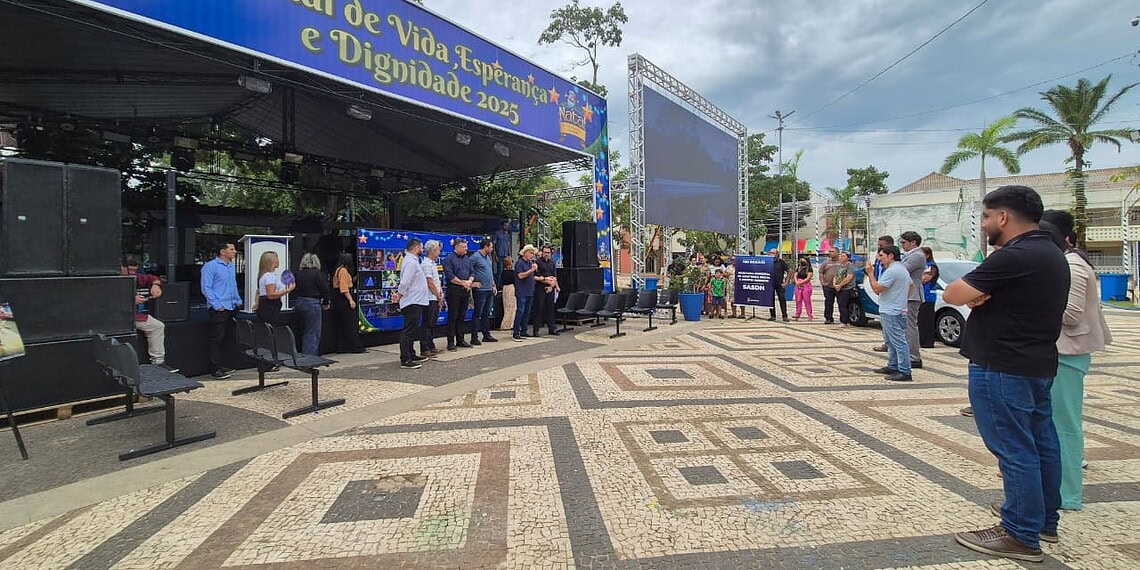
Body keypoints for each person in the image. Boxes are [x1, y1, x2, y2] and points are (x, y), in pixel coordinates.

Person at [943, 185, 1069, 563]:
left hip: (1002, 366)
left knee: (1014, 449)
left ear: (1003, 217)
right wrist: (975, 294)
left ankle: (1019, 533)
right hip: (1036, 363)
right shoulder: (1051, 252)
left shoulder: (1014, 255)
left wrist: (973, 294)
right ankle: (1044, 517)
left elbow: (953, 293)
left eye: (984, 216)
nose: (983, 224)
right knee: (1041, 442)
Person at [1041, 209, 1112, 511]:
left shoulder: (1072, 265)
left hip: (1067, 354)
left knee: (1064, 426)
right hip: (1059, 354)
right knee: (1054, 424)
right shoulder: (1067, 262)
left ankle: (1067, 494)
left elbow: (1069, 314)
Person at [123, 256, 176, 373]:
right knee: (156, 326)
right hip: (119, 316)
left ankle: (158, 362)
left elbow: (152, 278)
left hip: (133, 315)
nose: (132, 273)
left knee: (157, 325)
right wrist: (130, 299)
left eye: (134, 270)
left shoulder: (135, 277)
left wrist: (156, 285)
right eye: (129, 270)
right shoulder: (110, 280)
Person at [866, 245, 911, 382]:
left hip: (892, 311)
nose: (879, 259)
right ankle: (893, 365)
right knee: (890, 341)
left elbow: (877, 288)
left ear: (891, 256)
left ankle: (904, 370)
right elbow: (911, 285)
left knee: (898, 341)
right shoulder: (900, 269)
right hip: (893, 308)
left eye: (882, 256)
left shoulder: (893, 270)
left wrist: (871, 274)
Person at [201, 242, 242, 379]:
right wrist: (216, 304)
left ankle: (223, 364)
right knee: (216, 338)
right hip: (220, 307)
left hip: (231, 306)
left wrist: (237, 300)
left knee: (227, 337)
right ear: (222, 251)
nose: (234, 251)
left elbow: (232, 285)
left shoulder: (230, 266)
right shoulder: (210, 266)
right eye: (231, 249)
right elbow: (206, 287)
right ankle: (215, 368)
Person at [393, 238, 429, 369]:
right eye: (421, 247)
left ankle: (411, 353)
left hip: (416, 300)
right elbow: (405, 281)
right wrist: (400, 295)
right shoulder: (410, 262)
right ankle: (405, 358)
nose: (422, 249)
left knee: (413, 329)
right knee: (408, 330)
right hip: (411, 300)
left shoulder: (413, 261)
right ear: (416, 247)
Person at [294, 253, 331, 356]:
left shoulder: (298, 273)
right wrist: (326, 301)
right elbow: (325, 289)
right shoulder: (317, 273)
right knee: (313, 332)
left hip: (300, 302)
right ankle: (310, 357)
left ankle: (304, 354)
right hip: (313, 303)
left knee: (304, 330)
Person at [442, 238, 475, 351]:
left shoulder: (467, 259)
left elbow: (472, 272)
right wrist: (462, 282)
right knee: (453, 316)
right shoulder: (449, 259)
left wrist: (469, 282)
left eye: (466, 247)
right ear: (456, 247)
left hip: (465, 289)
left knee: (462, 315)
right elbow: (450, 275)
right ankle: (450, 342)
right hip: (454, 290)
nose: (466, 249)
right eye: (464, 247)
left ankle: (460, 339)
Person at [899, 231, 926, 368]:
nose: (902, 245)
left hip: (913, 293)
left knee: (910, 326)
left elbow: (902, 270)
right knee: (905, 326)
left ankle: (914, 356)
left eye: (904, 242)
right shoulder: (910, 255)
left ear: (913, 242)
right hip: (905, 293)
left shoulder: (917, 255)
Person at [329, 253, 364, 354]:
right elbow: (344, 288)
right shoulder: (343, 271)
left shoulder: (338, 270)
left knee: (342, 324)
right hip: (343, 299)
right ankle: (355, 347)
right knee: (350, 323)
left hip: (338, 299)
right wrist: (350, 300)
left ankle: (342, 347)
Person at [254, 251, 294, 326]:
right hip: (270, 307)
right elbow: (271, 294)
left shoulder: (264, 275)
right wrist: (288, 290)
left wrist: (257, 303)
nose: (278, 261)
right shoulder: (269, 277)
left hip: (266, 306)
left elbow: (258, 291)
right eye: (276, 258)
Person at [419, 240, 444, 358]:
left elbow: (437, 281)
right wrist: (438, 295)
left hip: (435, 296)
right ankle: (424, 347)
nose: (439, 252)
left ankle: (431, 345)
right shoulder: (426, 264)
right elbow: (430, 282)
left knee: (432, 323)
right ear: (433, 251)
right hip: (429, 298)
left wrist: (440, 293)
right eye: (438, 250)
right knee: (427, 323)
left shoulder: (433, 263)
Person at [470, 238, 498, 344]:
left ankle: (486, 334)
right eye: (491, 247)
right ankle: (474, 337)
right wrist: (472, 283)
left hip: (489, 288)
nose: (492, 249)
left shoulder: (488, 257)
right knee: (478, 313)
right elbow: (468, 269)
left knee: (486, 313)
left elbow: (489, 272)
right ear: (485, 247)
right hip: (480, 290)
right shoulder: (475, 257)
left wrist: (493, 285)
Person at [872, 235, 896, 353]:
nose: (879, 248)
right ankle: (887, 343)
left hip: (890, 292)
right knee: (884, 320)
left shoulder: (895, 264)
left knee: (892, 323)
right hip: (881, 289)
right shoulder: (879, 258)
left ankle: (892, 346)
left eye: (881, 245)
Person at [532, 245, 560, 336]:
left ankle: (552, 328)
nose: (547, 254)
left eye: (548, 252)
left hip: (550, 288)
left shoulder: (552, 263)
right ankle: (536, 329)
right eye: (545, 252)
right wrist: (546, 281)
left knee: (550, 309)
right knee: (539, 308)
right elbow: (536, 276)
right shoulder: (538, 262)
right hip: (540, 287)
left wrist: (553, 286)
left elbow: (554, 276)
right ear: (542, 252)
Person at [512, 245, 539, 341]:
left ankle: (524, 330)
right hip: (522, 291)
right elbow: (520, 276)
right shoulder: (520, 263)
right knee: (520, 311)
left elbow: (532, 276)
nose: (532, 255)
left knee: (527, 312)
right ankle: (516, 332)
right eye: (531, 253)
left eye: (533, 253)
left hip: (529, 291)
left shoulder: (530, 263)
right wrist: (531, 270)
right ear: (525, 252)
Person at [919, 246, 939, 349]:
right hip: (921, 296)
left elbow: (924, 279)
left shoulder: (931, 266)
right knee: (920, 320)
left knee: (927, 319)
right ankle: (921, 340)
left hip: (928, 296)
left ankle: (928, 342)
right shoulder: (922, 265)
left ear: (927, 255)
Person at [819, 248, 842, 324]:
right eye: (830, 251)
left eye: (832, 251)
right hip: (828, 287)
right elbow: (821, 273)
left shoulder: (842, 262)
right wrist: (823, 282)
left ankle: (844, 318)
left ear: (838, 253)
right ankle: (828, 318)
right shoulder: (826, 263)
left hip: (840, 286)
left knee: (841, 302)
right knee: (828, 302)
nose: (830, 253)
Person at [833, 252, 857, 327]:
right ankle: (844, 320)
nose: (841, 257)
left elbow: (849, 277)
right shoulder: (840, 266)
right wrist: (835, 284)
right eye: (841, 256)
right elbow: (835, 276)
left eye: (843, 256)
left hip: (847, 288)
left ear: (848, 258)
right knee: (840, 304)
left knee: (843, 304)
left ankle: (844, 321)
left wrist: (840, 285)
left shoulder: (850, 266)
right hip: (838, 288)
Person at [767, 249, 790, 322]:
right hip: (770, 284)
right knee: (770, 300)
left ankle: (784, 316)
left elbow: (789, 271)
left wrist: (786, 282)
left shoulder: (781, 262)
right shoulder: (768, 262)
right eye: (771, 253)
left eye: (773, 253)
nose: (772, 254)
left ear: (777, 254)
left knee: (782, 299)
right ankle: (772, 315)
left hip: (780, 284)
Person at [498, 255, 516, 332]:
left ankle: (506, 324)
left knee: (506, 306)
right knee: (511, 307)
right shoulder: (512, 272)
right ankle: (508, 324)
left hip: (505, 288)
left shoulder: (503, 272)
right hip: (511, 288)